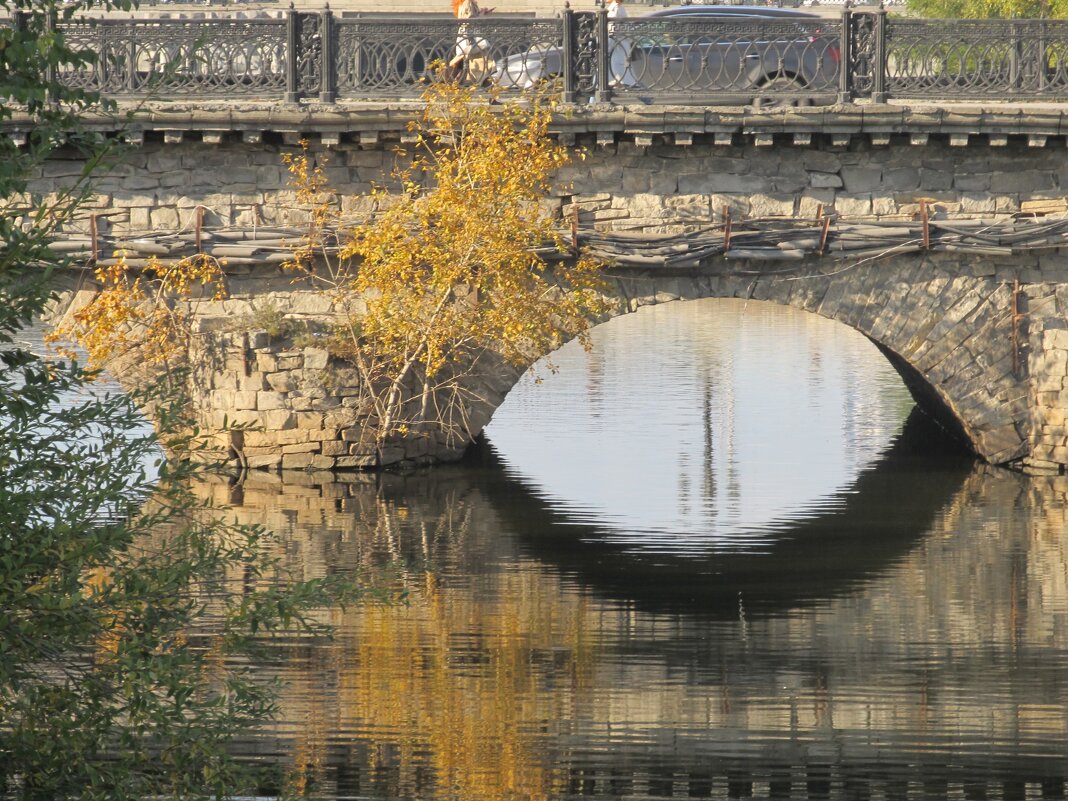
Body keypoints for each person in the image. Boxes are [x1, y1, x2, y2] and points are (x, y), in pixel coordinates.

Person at [449, 0, 495, 84]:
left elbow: (469, 17)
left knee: (470, 67)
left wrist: (481, 14)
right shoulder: (467, 2)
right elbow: (469, 18)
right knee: (480, 66)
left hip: (468, 38)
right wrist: (480, 16)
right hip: (471, 38)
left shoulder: (464, 3)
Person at [606, 0, 638, 88]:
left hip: (618, 45)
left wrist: (607, 47)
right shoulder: (619, 7)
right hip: (621, 44)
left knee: (620, 72)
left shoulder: (615, 8)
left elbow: (612, 29)